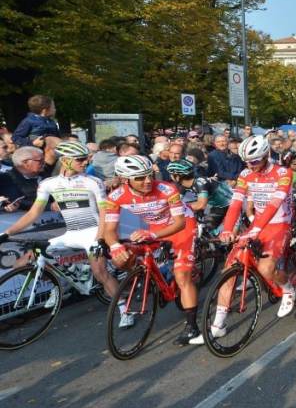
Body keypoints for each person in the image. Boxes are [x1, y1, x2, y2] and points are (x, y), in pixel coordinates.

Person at [0, 141, 119, 305]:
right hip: (71, 233)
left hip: (93, 232)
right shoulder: (48, 183)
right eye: (80, 159)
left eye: (86, 158)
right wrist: (8, 233)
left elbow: (105, 212)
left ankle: (124, 308)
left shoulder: (93, 181)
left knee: (100, 273)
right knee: (25, 261)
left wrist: (100, 238)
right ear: (65, 160)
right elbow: (34, 213)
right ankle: (61, 283)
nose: (86, 162)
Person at [102, 155, 200, 345]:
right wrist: (114, 246)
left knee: (182, 276)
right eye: (140, 178)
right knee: (122, 258)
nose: (148, 181)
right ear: (125, 179)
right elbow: (109, 230)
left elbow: (179, 223)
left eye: (149, 175)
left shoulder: (167, 188)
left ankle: (192, 328)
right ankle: (156, 279)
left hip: (182, 226)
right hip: (156, 228)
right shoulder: (115, 197)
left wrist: (154, 236)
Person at [212, 135, 296, 335]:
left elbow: (274, 205)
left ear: (267, 154)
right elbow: (235, 204)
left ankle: (287, 288)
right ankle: (219, 323)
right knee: (229, 269)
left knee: (266, 268)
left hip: (279, 224)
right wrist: (227, 228)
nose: (251, 166)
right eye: (247, 162)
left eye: (255, 161)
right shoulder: (245, 174)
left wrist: (256, 227)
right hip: (258, 224)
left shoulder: (283, 172)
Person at [0, 146, 54, 212]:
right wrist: (50, 207)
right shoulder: (7, 179)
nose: (44, 162)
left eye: (44, 159)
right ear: (25, 163)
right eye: (40, 160)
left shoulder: (47, 174)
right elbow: (19, 202)